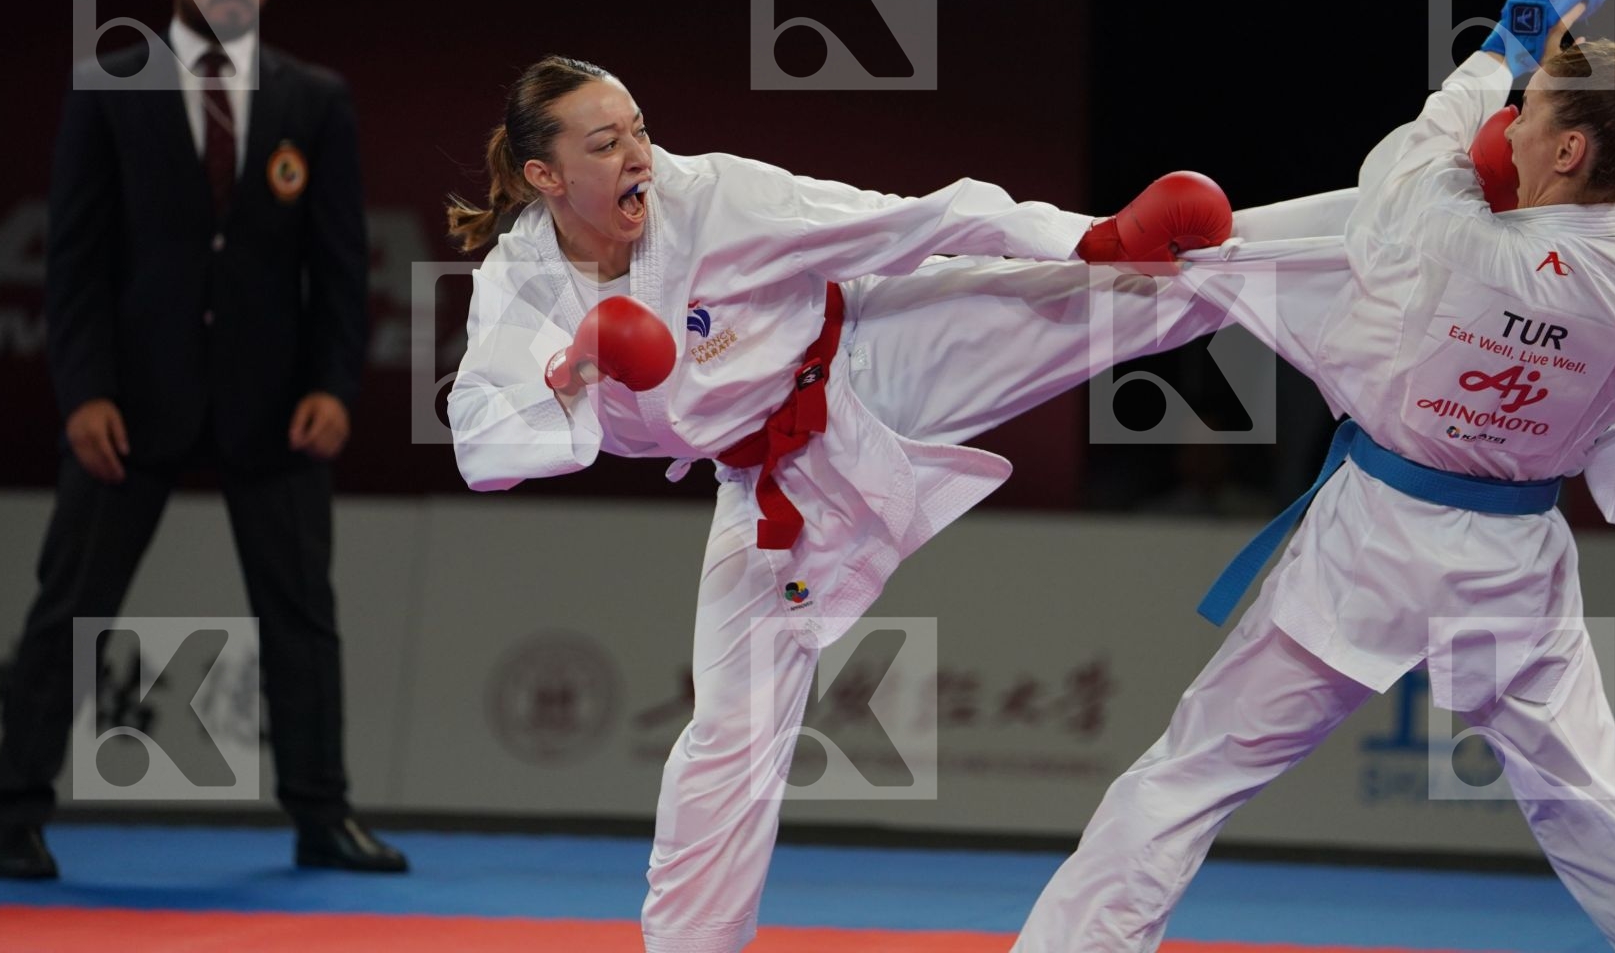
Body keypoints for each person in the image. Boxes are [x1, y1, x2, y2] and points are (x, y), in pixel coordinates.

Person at [444, 53, 1388, 951]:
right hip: (775, 486)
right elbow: (483, 447)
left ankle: (1385, 227)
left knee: (1133, 284)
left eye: (640, 129)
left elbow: (922, 218)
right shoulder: (524, 288)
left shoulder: (714, 196)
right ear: (544, 176)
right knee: (731, 733)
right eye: (605, 143)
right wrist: (572, 374)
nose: (639, 155)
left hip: (878, 354)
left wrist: (1086, 236)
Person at [1013, 0, 1615, 951]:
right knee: (1600, 821)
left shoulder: (1447, 229)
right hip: (1512, 571)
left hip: (1371, 550)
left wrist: (1509, 42)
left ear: (1571, 150)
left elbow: (1422, 144)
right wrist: (1587, 442)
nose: (1506, 126)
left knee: (1191, 775)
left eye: (1529, 115)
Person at [0, 0, 406, 878]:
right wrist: (84, 391)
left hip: (277, 402)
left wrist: (335, 386)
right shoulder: (110, 86)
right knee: (70, 605)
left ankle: (322, 814)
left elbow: (342, 267)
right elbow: (74, 263)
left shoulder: (313, 98)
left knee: (302, 617)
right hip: (129, 400)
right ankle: (10, 816)